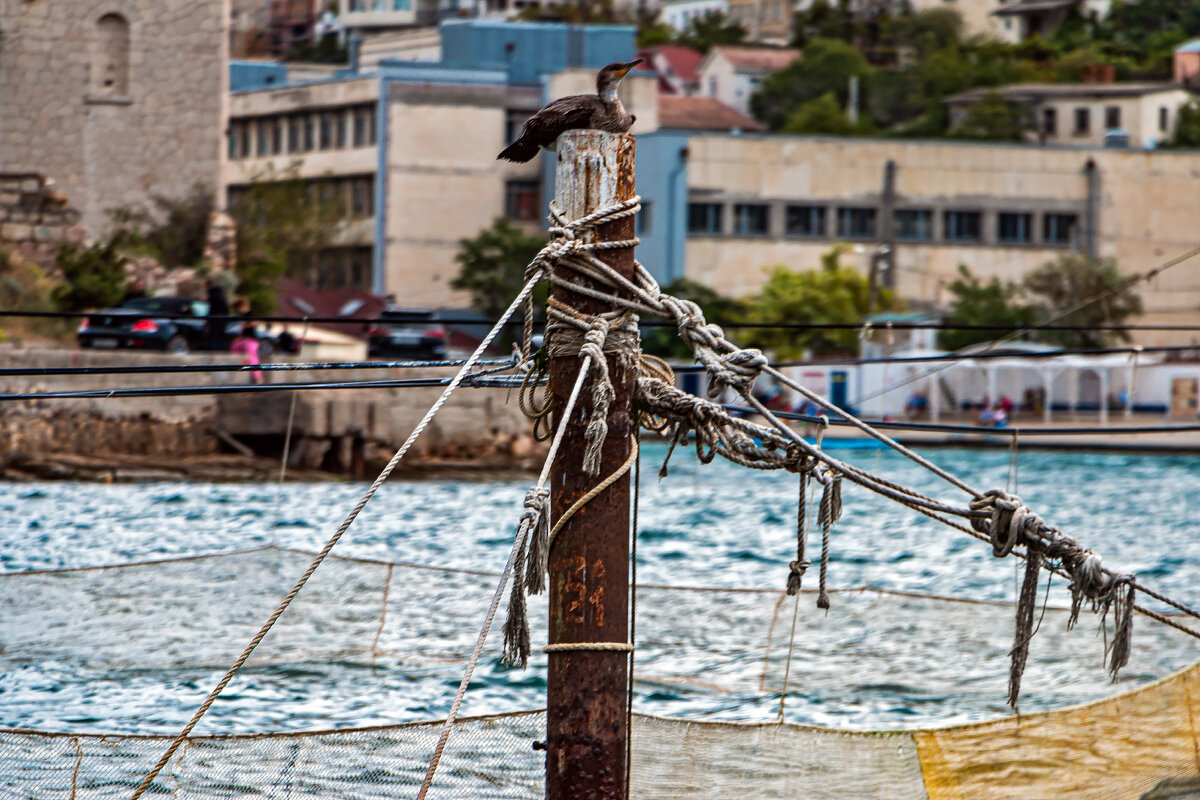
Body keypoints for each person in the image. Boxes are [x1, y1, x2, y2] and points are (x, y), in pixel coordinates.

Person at [206, 279, 230, 351]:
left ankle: (215, 348)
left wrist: (209, 317)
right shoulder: (220, 293)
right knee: (220, 334)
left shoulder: (213, 294)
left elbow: (213, 308)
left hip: (216, 318)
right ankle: (220, 347)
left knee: (216, 334)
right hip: (222, 317)